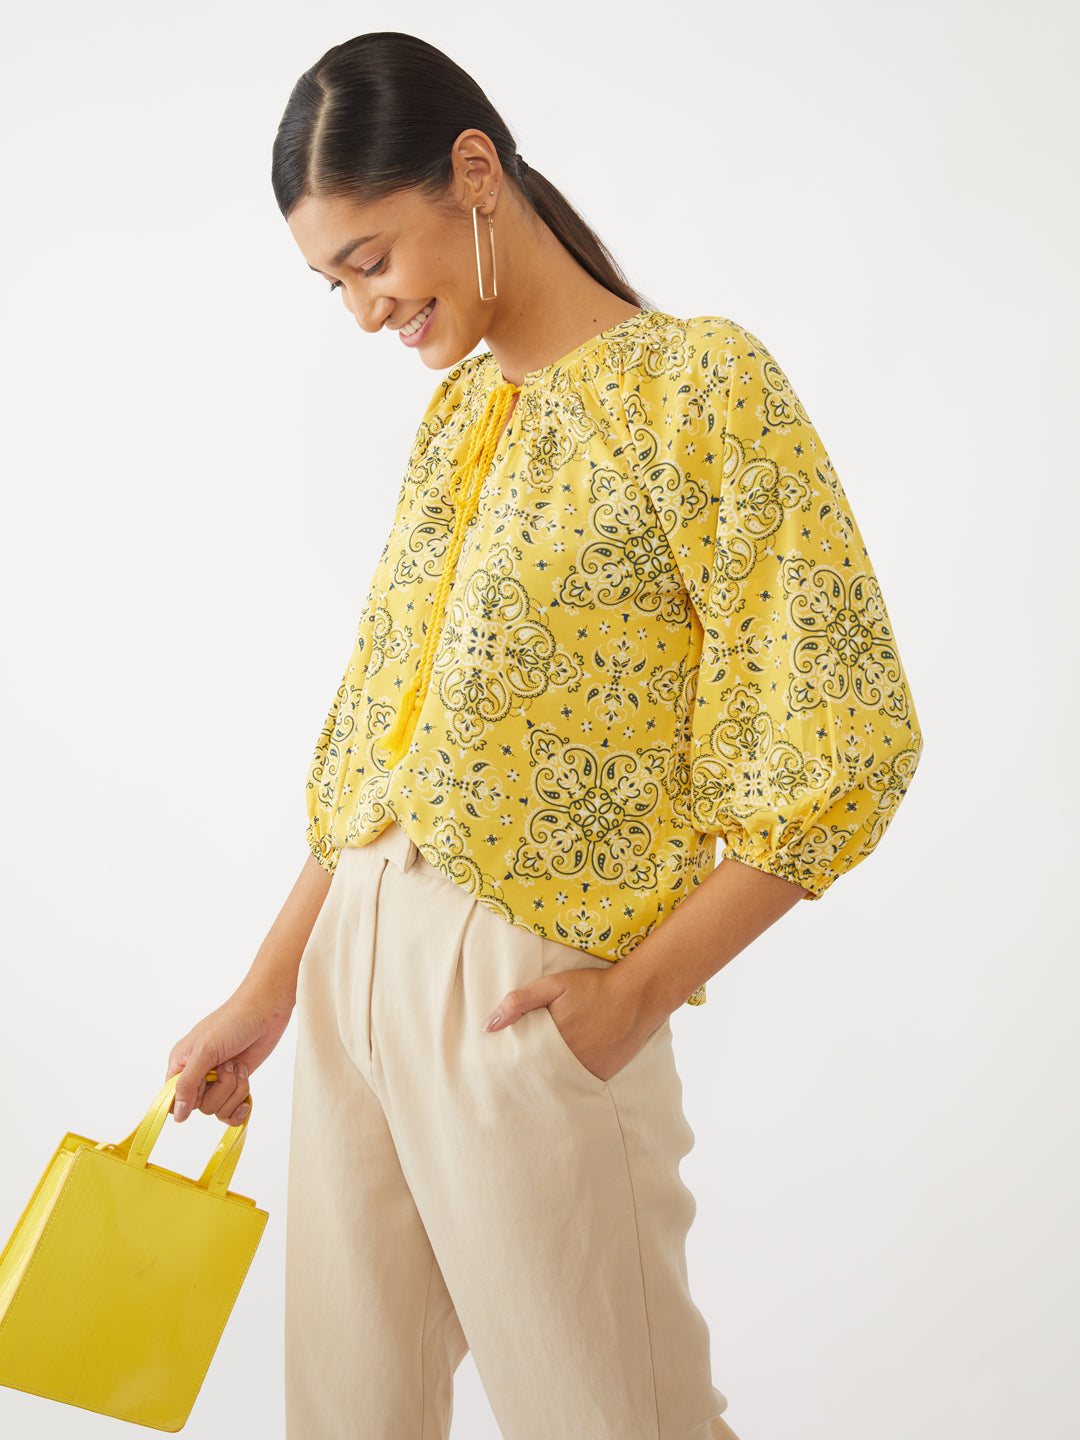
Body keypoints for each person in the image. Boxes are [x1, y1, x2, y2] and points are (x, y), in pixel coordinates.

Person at [166, 30, 923, 1440]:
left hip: (524, 989)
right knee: (349, 1418)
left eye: (374, 259)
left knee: (610, 1418)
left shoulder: (699, 388)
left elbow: (845, 736)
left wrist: (629, 1002)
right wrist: (272, 986)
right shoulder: (455, 422)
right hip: (353, 978)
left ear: (473, 173)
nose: (365, 311)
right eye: (333, 284)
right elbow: (381, 760)